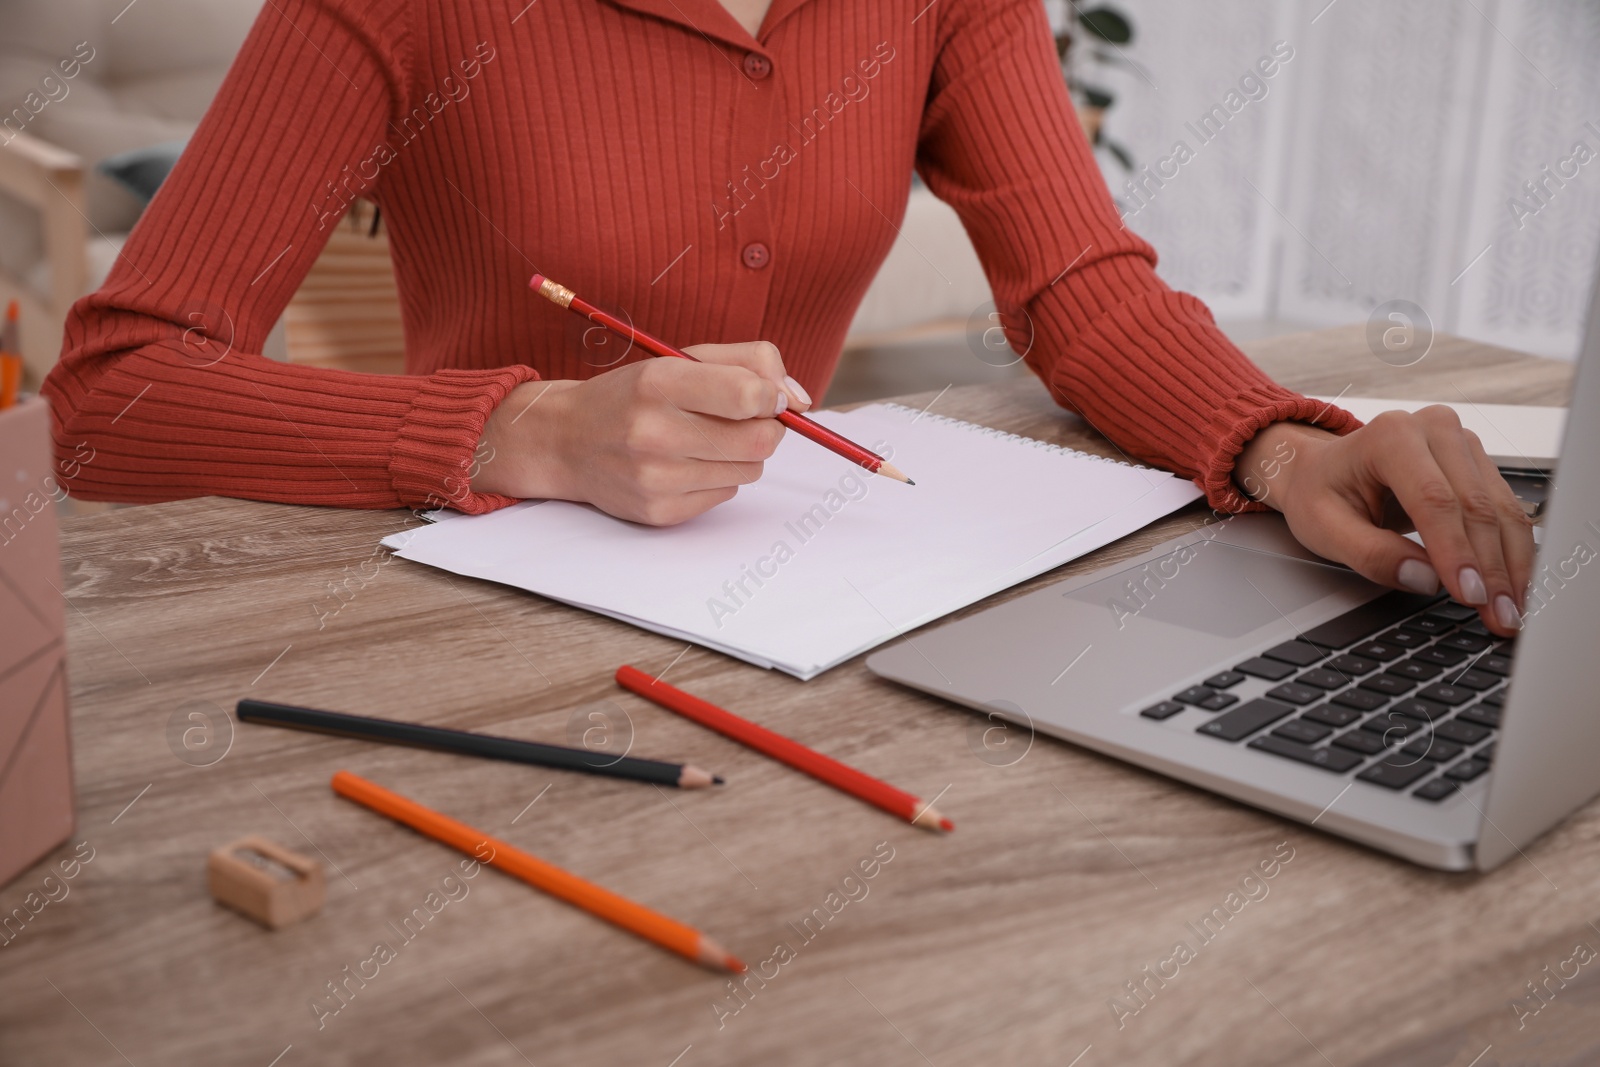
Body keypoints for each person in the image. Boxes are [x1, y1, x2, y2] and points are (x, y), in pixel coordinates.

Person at [40, 0, 1532, 637]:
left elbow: (1077, 287)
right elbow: (111, 391)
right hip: (472, 627)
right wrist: (524, 428)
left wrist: (1275, 445)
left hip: (822, 606)